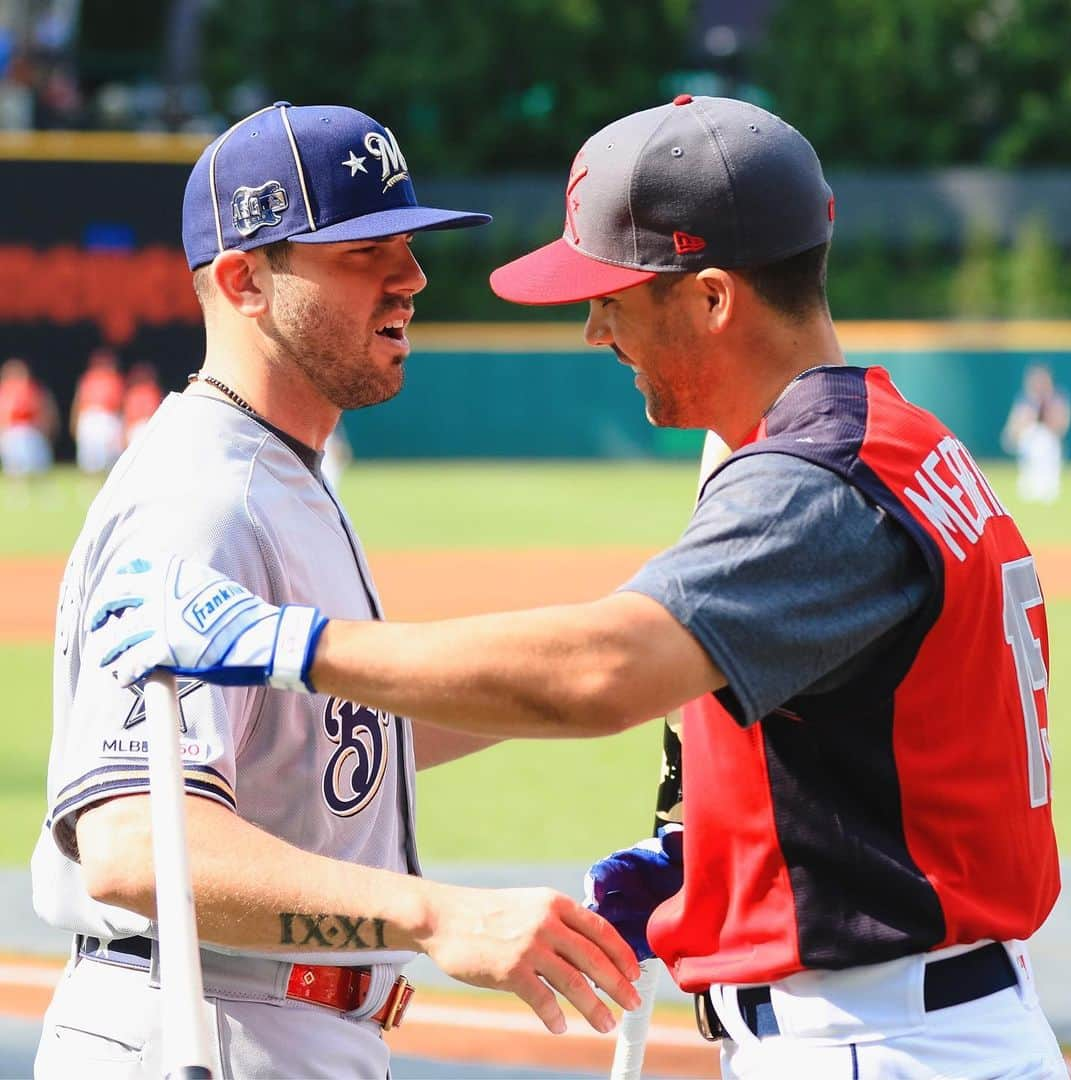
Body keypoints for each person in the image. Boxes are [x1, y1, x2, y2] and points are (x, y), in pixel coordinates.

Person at [87, 96, 1065, 1079]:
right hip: (907, 1015)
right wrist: (725, 857)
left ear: (712, 299)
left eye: (615, 294)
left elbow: (605, 671)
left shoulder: (813, 479)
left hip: (877, 1037)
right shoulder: (896, 445)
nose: (596, 329)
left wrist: (287, 643)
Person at [30, 101, 640, 1080]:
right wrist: (439, 912)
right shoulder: (203, 497)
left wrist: (598, 680)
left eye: (405, 242)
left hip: (263, 1018)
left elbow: (325, 743)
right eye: (364, 251)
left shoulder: (278, 469)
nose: (411, 276)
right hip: (200, 1025)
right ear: (244, 281)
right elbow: (133, 844)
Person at [1001, 362, 1071, 503]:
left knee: (1044, 439)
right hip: (1029, 439)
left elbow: (1061, 423)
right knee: (1033, 437)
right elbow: (1016, 424)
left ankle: (1048, 486)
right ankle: (1030, 483)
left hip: (1050, 440)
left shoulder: (1056, 398)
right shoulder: (1026, 400)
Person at [70, 345, 125, 474]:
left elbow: (121, 407)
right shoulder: (88, 378)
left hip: (108, 419)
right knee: (90, 459)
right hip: (90, 418)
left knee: (110, 458)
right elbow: (78, 403)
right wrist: (75, 424)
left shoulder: (115, 379)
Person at [0, 356, 57, 480]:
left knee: (39, 469)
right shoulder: (5, 392)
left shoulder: (33, 390)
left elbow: (46, 412)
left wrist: (45, 432)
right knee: (16, 471)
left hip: (31, 432)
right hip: (12, 433)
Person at [122, 361, 164, 447]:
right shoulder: (132, 393)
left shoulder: (153, 392)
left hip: (151, 429)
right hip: (134, 431)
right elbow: (127, 419)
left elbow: (157, 417)